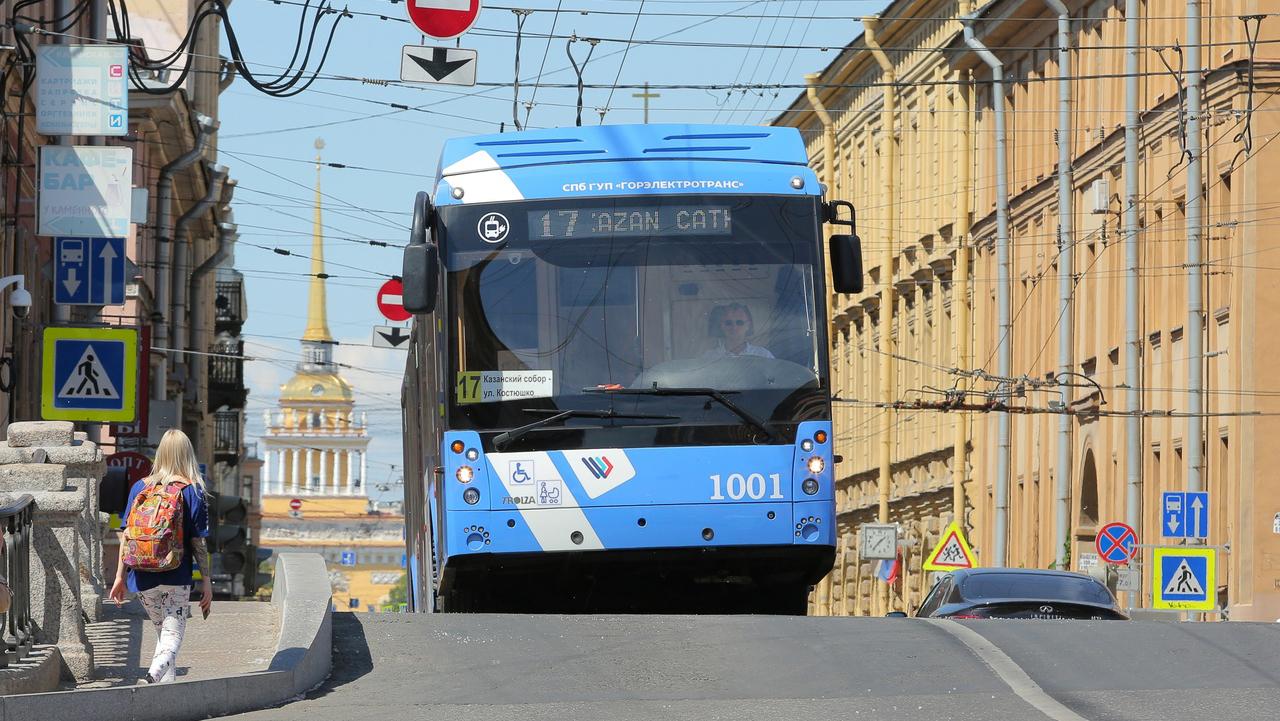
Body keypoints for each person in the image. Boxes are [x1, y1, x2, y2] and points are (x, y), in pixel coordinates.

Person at [109, 429, 212, 684]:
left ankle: (164, 696)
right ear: (187, 454)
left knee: (162, 633)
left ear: (161, 453)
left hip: (142, 574)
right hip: (176, 573)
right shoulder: (193, 490)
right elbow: (198, 541)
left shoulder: (140, 487)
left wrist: (120, 577)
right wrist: (206, 581)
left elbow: (127, 536)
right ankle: (152, 677)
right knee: (172, 633)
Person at [702, 302, 775, 359]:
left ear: (748, 325)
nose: (734, 327)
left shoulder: (763, 355)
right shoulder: (709, 357)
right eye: (728, 323)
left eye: (739, 323)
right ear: (721, 326)